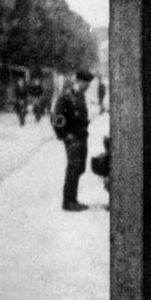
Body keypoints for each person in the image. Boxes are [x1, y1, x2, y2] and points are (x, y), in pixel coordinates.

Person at [53, 70, 93, 211]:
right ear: (80, 81)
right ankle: (68, 202)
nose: (88, 87)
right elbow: (57, 117)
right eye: (87, 84)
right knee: (73, 168)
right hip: (73, 138)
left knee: (79, 168)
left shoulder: (80, 96)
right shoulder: (66, 96)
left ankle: (73, 199)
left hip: (82, 136)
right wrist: (64, 134)